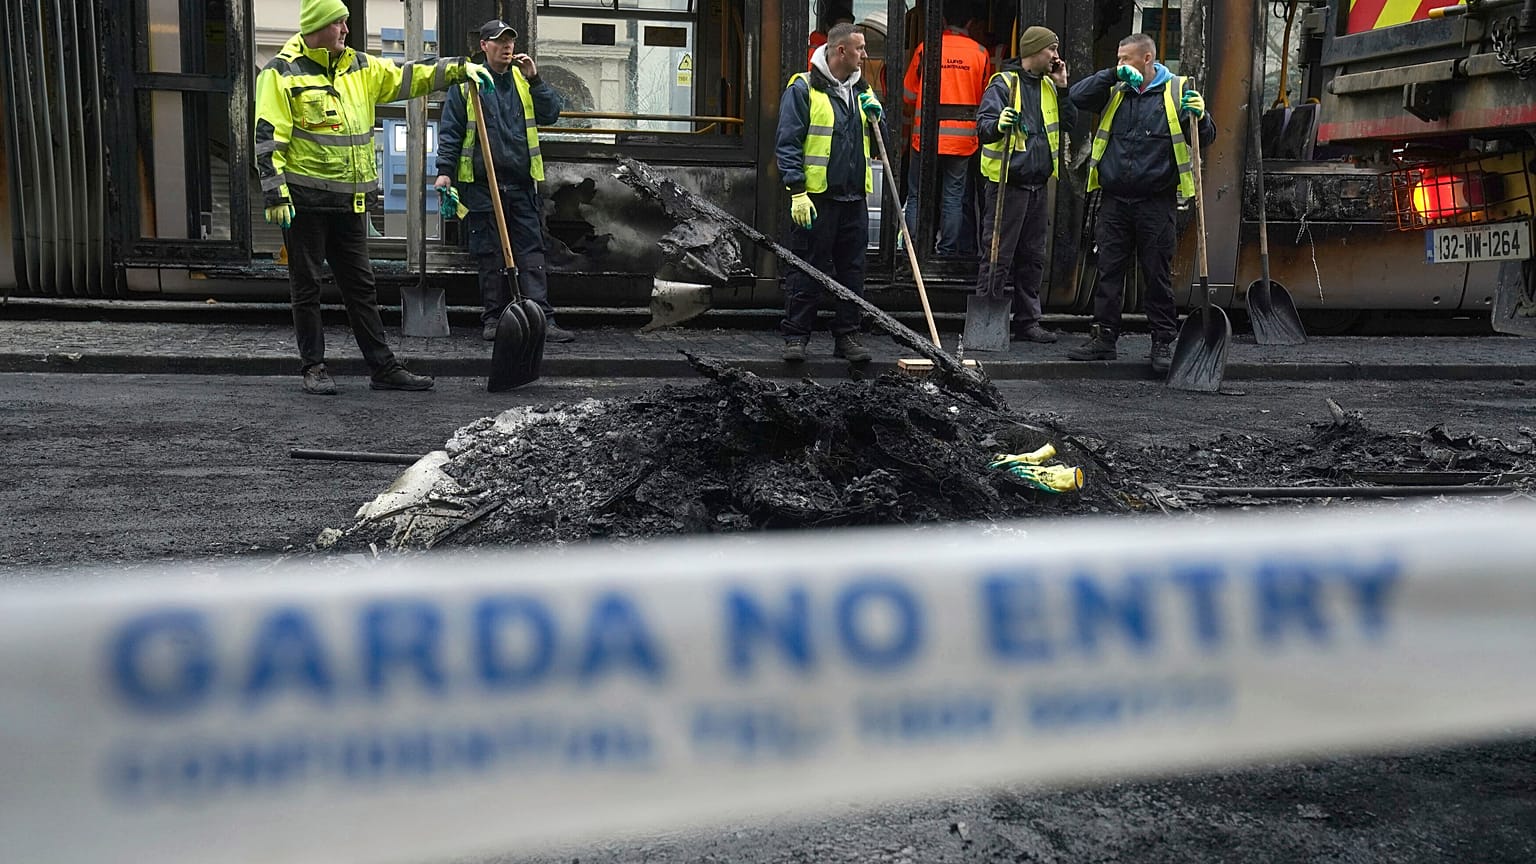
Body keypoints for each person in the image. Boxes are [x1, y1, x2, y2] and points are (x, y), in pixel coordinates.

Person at [254, 0, 495, 395]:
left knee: (361, 287)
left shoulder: (359, 66)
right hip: (305, 202)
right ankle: (313, 367)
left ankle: (383, 368)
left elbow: (408, 75)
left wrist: (456, 69)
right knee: (307, 288)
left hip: (350, 203)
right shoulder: (281, 72)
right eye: (339, 23)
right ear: (318, 25)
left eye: (347, 21)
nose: (347, 29)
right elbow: (267, 137)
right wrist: (275, 194)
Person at [1067, 33, 1215, 373]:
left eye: (1126, 59)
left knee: (1157, 274)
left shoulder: (1176, 91)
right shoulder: (1116, 89)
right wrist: (1112, 74)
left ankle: (1163, 342)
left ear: (1147, 59)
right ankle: (1104, 338)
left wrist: (1202, 117)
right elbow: (1076, 95)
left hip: (1155, 201)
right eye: (1118, 59)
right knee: (1109, 271)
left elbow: (1205, 137)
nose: (1121, 64)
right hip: (1115, 199)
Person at [435, 19, 571, 344]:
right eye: (499, 41)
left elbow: (552, 112)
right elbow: (451, 131)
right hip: (482, 186)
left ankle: (541, 319)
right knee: (491, 254)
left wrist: (536, 79)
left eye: (510, 40)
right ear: (484, 46)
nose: (507, 46)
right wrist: (444, 171)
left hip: (521, 184)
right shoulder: (468, 84)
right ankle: (494, 318)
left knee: (531, 253)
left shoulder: (523, 81)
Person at [775, 22, 882, 364]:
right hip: (817, 199)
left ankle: (847, 336)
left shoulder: (861, 92)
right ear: (841, 51)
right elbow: (788, 142)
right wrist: (796, 191)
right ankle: (796, 337)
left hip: (853, 199)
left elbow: (878, 145)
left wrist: (879, 120)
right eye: (860, 48)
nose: (865, 55)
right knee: (807, 267)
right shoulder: (803, 88)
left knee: (852, 270)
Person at [973, 26, 1077, 343]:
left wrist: (1062, 88)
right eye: (1052, 50)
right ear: (1033, 51)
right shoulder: (1004, 84)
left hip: (1037, 183)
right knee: (997, 255)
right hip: (1008, 184)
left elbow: (1069, 123)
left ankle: (1027, 322)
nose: (1056, 56)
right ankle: (989, 323)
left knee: (1032, 256)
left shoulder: (1049, 86)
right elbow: (983, 127)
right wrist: (997, 123)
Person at [901, 1, 990, 256]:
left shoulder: (926, 49)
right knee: (953, 199)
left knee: (917, 197)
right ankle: (948, 251)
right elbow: (986, 98)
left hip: (925, 139)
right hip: (962, 142)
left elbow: (908, 95)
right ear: (970, 24)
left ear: (941, 22)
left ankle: (915, 251)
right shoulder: (980, 53)